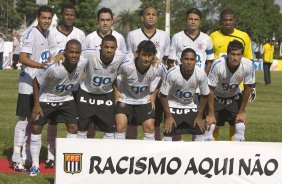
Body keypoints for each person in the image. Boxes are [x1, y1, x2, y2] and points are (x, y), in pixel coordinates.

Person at [29, 39, 87, 176]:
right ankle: (35, 165)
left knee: (73, 127)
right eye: (71, 52)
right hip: (46, 98)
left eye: (77, 52)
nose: (74, 55)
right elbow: (36, 82)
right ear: (65, 53)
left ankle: (69, 163)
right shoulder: (54, 67)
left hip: (66, 98)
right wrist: (36, 105)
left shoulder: (83, 61)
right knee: (36, 127)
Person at [11, 5, 54, 172]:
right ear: (38, 17)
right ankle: (16, 158)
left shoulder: (49, 34)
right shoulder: (31, 33)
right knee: (23, 121)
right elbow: (22, 58)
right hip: (27, 84)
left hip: (40, 84)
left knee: (33, 120)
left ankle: (26, 155)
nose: (46, 21)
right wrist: (40, 65)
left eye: (49, 18)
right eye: (44, 18)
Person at [45, 3, 85, 169]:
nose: (69, 17)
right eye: (66, 14)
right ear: (61, 15)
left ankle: (70, 156)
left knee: (73, 124)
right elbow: (46, 55)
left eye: (72, 15)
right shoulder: (51, 33)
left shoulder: (80, 34)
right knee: (52, 123)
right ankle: (50, 155)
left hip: (73, 86)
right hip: (55, 83)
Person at [168, 8, 214, 141]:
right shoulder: (177, 37)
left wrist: (201, 79)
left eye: (196, 19)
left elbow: (210, 61)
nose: (193, 22)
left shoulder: (207, 39)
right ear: (186, 20)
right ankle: (175, 149)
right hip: (179, 87)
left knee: (198, 122)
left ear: (200, 21)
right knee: (177, 121)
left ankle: (197, 150)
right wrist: (178, 79)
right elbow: (171, 61)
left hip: (199, 88)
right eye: (190, 19)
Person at [209, 9, 255, 140]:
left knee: (236, 123)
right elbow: (210, 58)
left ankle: (235, 150)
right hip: (218, 80)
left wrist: (252, 86)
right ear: (221, 21)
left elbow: (247, 59)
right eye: (225, 20)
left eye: (230, 20)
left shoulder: (244, 36)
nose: (228, 22)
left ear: (235, 20)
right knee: (212, 124)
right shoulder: (213, 36)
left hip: (236, 85)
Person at [126, 6, 170, 140]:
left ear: (157, 18)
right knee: (132, 122)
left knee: (155, 122)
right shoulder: (132, 35)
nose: (151, 16)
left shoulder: (164, 35)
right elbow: (129, 58)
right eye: (148, 14)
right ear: (142, 17)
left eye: (154, 14)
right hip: (136, 85)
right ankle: (130, 152)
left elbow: (166, 59)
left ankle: (153, 153)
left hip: (155, 87)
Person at [83, 7, 127, 138]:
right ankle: (90, 149)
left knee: (109, 122)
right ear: (98, 21)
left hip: (111, 86)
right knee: (88, 122)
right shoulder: (89, 38)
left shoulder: (119, 38)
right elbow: (82, 59)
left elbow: (123, 61)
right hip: (90, 86)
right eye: (102, 20)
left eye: (108, 20)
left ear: (112, 21)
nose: (105, 23)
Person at [76, 35, 127, 139]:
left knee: (109, 130)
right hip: (86, 93)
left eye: (112, 48)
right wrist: (62, 54)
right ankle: (83, 153)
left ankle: (105, 154)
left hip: (106, 95)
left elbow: (135, 57)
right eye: (106, 47)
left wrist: (153, 58)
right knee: (81, 128)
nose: (109, 50)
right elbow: (73, 52)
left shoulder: (121, 56)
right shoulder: (89, 54)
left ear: (116, 48)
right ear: (101, 46)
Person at [114, 40, 166, 140]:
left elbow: (167, 79)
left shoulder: (158, 67)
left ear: (153, 56)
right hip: (125, 98)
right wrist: (116, 91)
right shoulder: (127, 65)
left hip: (144, 99)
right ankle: (119, 153)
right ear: (137, 54)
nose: (146, 59)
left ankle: (148, 154)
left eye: (150, 55)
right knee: (120, 125)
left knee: (150, 126)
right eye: (144, 55)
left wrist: (154, 94)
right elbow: (112, 75)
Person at [160, 48, 210, 141]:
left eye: (192, 59)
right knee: (168, 130)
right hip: (173, 104)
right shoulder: (172, 73)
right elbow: (163, 95)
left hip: (190, 104)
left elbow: (205, 95)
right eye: (186, 59)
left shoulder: (201, 74)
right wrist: (168, 116)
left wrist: (199, 116)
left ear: (196, 61)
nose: (189, 62)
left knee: (200, 129)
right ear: (181, 60)